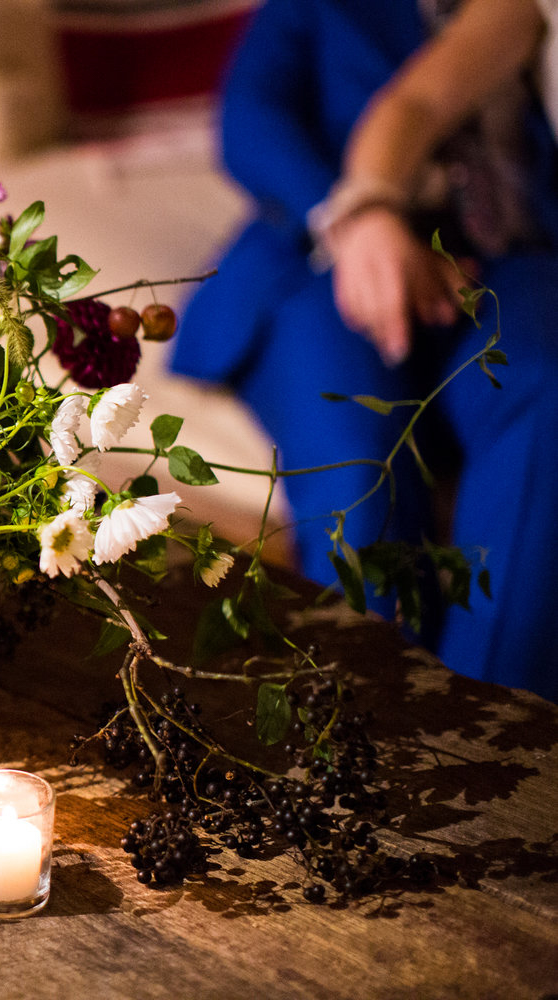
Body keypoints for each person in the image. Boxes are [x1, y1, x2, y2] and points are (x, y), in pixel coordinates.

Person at [172, 0, 558, 700]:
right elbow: (249, 120)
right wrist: (356, 221)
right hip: (324, 259)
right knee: (352, 447)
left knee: (548, 395)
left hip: (507, 258)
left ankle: (505, 728)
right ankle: (364, 725)